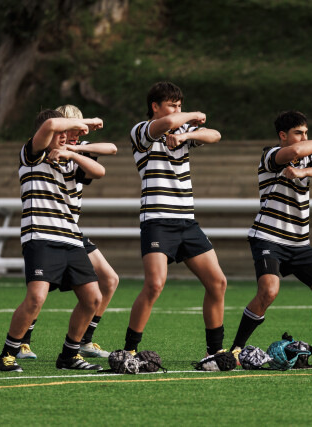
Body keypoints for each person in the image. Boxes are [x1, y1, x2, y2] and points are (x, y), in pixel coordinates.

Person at [230, 110, 312, 364]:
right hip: (268, 237)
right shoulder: (270, 155)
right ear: (283, 135)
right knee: (269, 291)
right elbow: (295, 152)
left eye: (306, 133)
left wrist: (303, 172)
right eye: (299, 133)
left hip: (299, 243)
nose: (304, 137)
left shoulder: (308, 158)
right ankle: (235, 350)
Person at [0, 109, 106, 372]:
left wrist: (73, 153)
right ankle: (8, 354)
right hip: (40, 236)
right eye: (60, 133)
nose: (64, 136)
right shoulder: (32, 154)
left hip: (71, 238)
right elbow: (50, 124)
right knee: (36, 297)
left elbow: (99, 171)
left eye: (66, 133)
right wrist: (85, 122)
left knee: (93, 299)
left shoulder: (68, 160)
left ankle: (69, 356)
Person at [125, 81, 228, 360]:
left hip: (186, 221)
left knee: (218, 283)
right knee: (154, 285)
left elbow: (215, 135)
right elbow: (170, 122)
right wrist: (191, 115)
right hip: (157, 220)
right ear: (155, 106)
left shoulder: (181, 131)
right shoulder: (142, 131)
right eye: (172, 105)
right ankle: (130, 350)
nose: (177, 110)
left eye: (180, 105)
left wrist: (186, 136)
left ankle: (214, 351)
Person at [16, 104, 119, 360]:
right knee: (41, 290)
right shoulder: (40, 150)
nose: (75, 133)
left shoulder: (77, 151)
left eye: (78, 129)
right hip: (47, 230)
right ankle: (21, 342)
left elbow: (111, 150)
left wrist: (75, 151)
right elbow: (51, 128)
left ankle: (84, 340)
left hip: (71, 231)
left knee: (109, 280)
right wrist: (80, 132)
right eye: (71, 128)